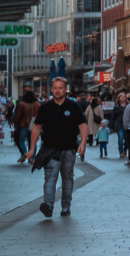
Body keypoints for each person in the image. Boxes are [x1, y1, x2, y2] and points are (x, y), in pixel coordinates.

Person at [27, 75, 87, 218]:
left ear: (66, 89)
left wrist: (83, 143)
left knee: (67, 178)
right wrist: (31, 149)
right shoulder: (45, 107)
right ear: (51, 90)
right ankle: (48, 205)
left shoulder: (74, 106)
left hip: (69, 149)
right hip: (50, 150)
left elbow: (83, 125)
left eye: (60, 88)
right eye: (55, 88)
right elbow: (36, 127)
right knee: (50, 178)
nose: (58, 91)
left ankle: (66, 206)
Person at [11, 91, 37, 162]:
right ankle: (32, 158)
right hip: (34, 125)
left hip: (24, 124)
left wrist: (15, 123)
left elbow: (18, 115)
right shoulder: (37, 104)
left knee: (21, 141)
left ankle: (25, 153)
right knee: (32, 142)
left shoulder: (22, 104)